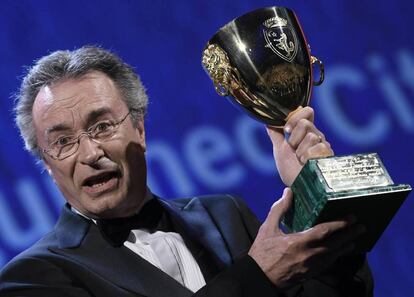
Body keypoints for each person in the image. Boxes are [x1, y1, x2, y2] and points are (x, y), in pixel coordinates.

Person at [0, 46, 373, 297]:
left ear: (141, 130)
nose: (90, 153)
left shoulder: (226, 214)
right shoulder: (32, 276)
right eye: (63, 142)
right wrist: (257, 276)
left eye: (102, 126)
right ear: (47, 164)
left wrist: (315, 189)